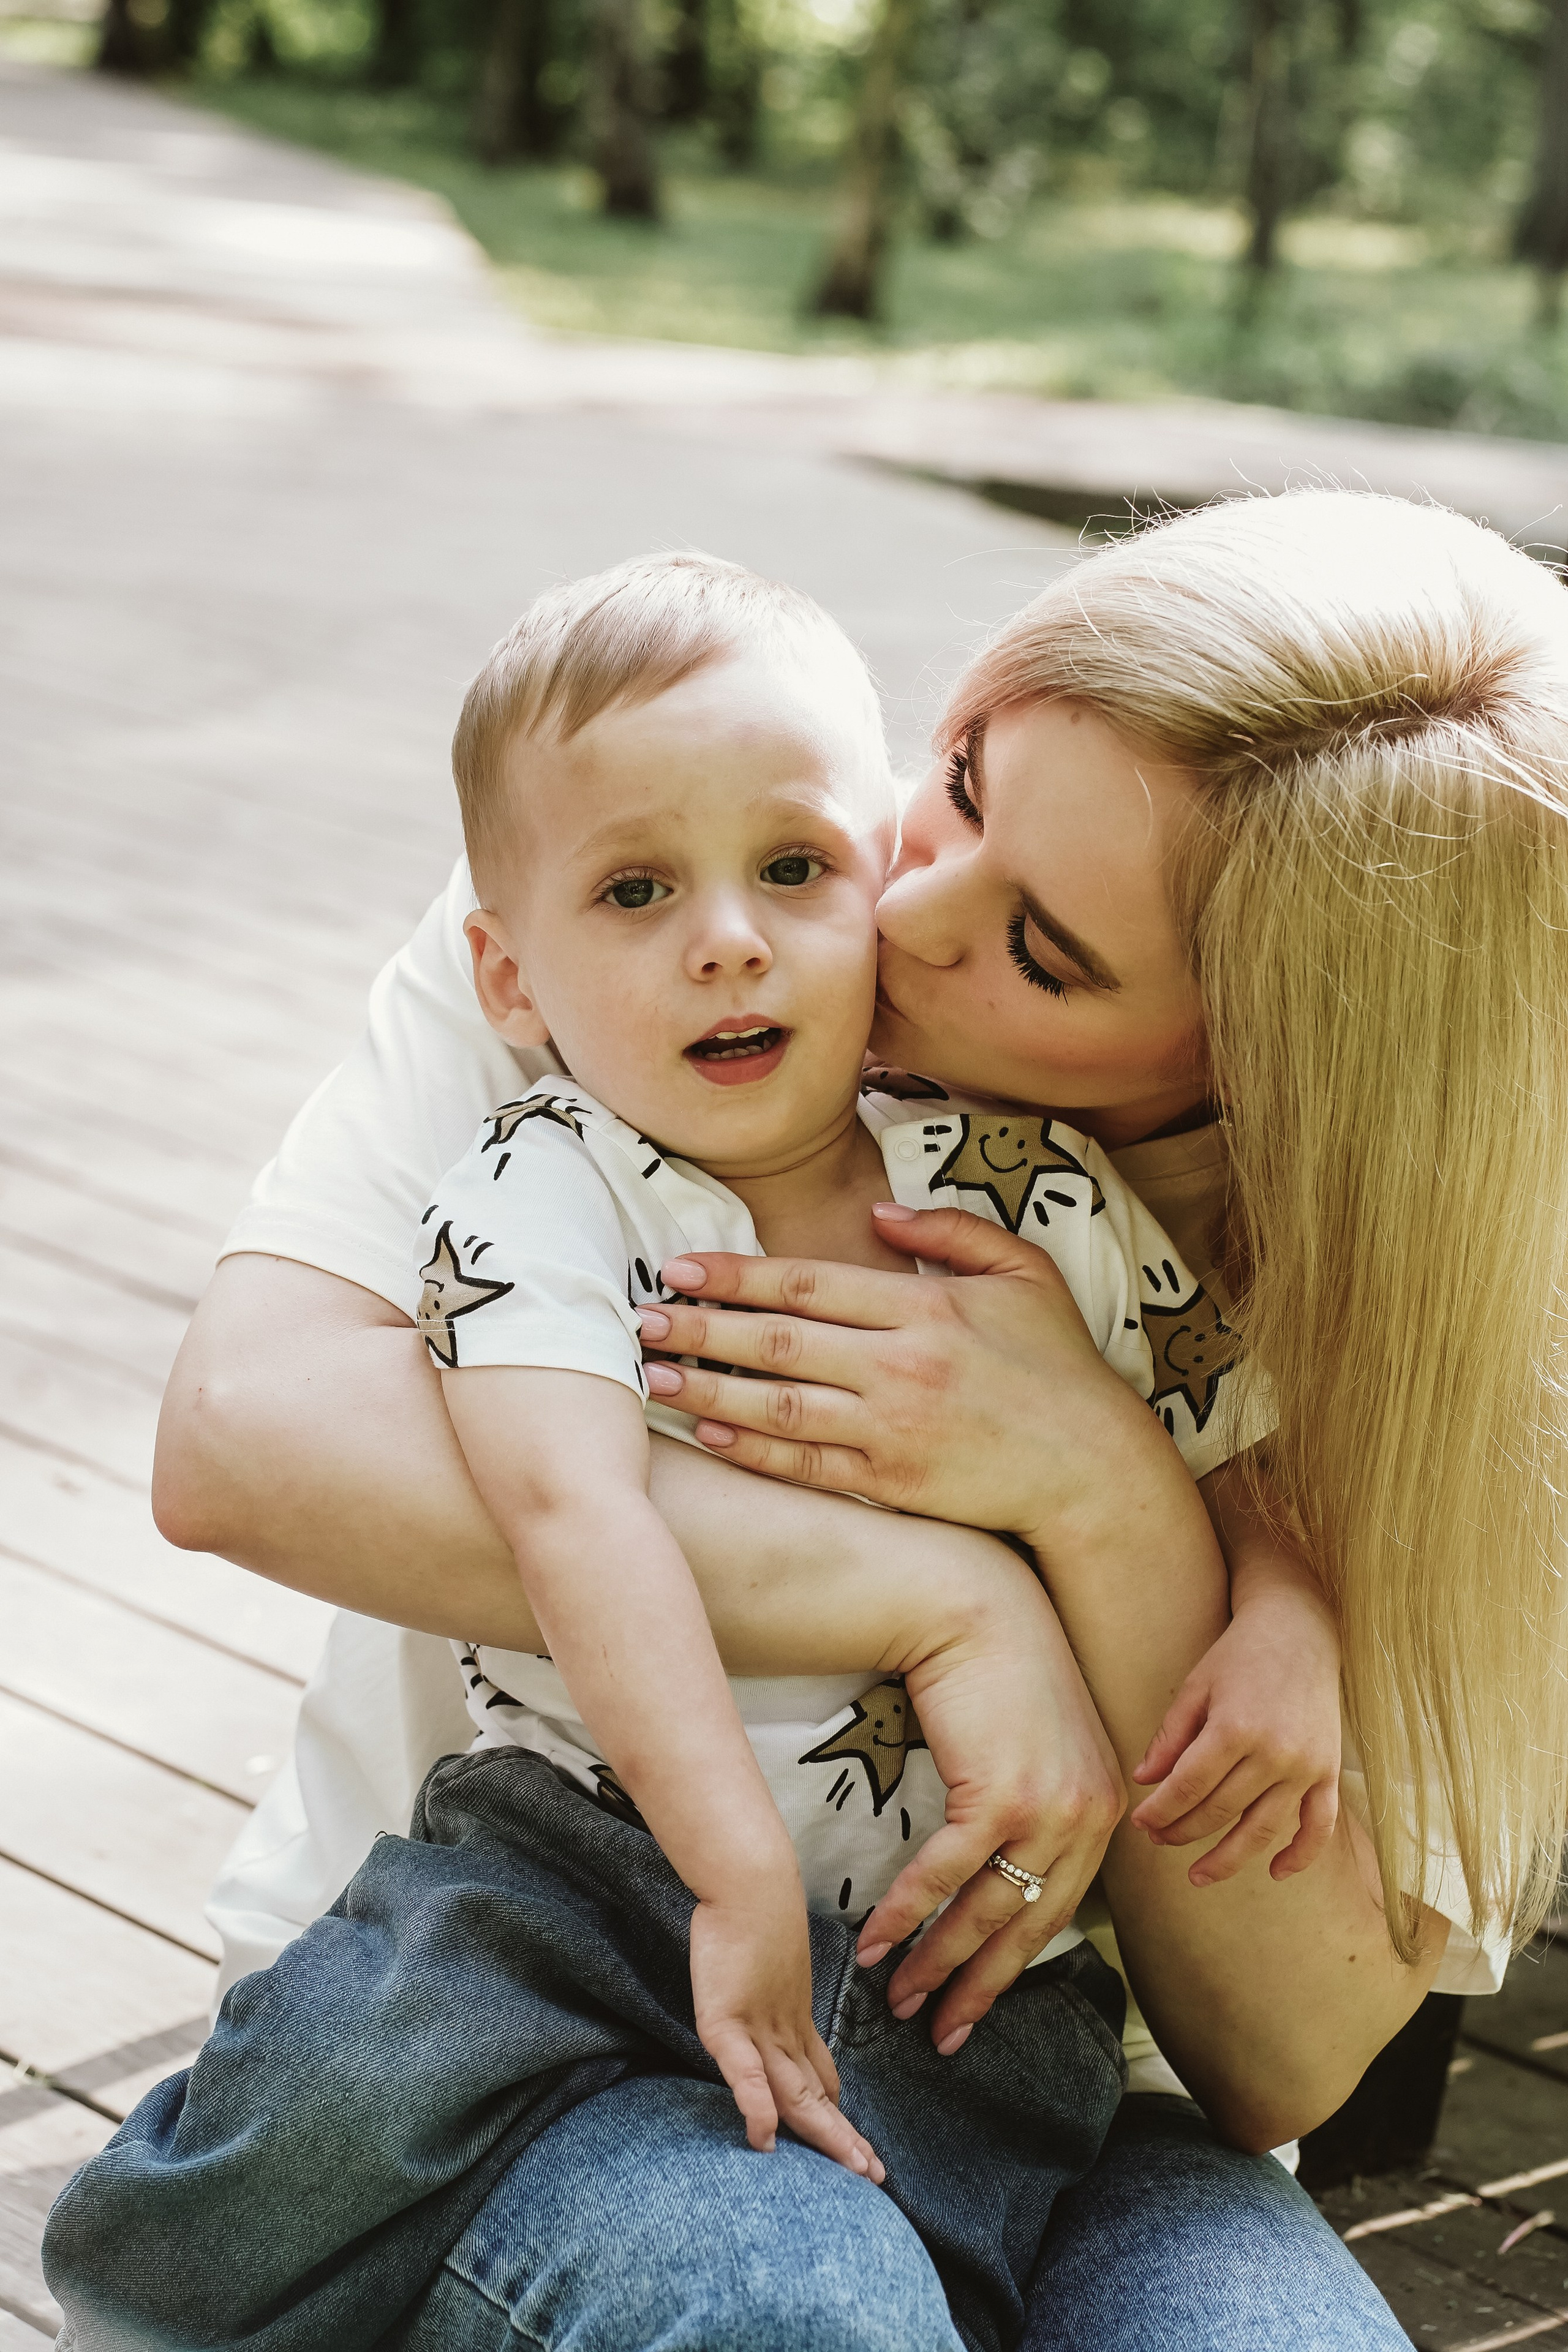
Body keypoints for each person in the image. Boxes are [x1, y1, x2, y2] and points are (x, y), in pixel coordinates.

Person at [132, 489, 1556, 2348]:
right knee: (785, 2311)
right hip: (536, 1993)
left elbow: (1276, 2055)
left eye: (1046, 954)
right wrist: (946, 1597)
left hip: (1061, 2081)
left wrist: (1116, 1501)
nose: (895, 903)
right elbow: (241, 1438)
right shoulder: (665, 877)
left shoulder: (1405, 1334)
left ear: (1254, 1073)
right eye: (961, 776)